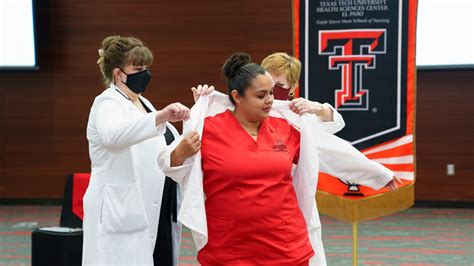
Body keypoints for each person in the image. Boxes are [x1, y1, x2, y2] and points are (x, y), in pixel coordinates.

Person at [158, 52, 398, 265]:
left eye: (273, 92)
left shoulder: (287, 125)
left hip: (284, 243)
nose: (271, 100)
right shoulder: (207, 128)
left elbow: (333, 151)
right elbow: (168, 161)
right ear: (237, 96)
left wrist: (378, 174)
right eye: (261, 95)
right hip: (230, 245)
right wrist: (180, 153)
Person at [82, 35, 191, 265]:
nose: (145, 73)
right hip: (121, 210)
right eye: (138, 68)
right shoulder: (107, 103)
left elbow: (166, 145)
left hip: (156, 204)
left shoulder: (143, 103)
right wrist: (161, 116)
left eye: (146, 67)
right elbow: (113, 137)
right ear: (118, 73)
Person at [262, 52, 344, 134]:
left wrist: (319, 109)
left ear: (292, 87)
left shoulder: (299, 112)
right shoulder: (251, 108)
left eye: (279, 85)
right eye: (268, 82)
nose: (271, 88)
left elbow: (336, 124)